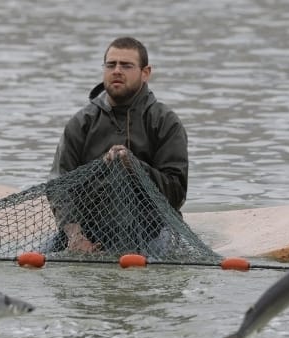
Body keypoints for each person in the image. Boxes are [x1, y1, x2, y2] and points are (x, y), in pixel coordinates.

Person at [49, 36, 188, 252]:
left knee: (166, 251)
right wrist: (76, 237)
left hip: (154, 230)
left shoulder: (165, 121)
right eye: (111, 64)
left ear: (146, 73)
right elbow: (59, 188)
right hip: (89, 231)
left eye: (126, 65)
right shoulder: (81, 123)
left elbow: (177, 194)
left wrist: (134, 167)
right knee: (37, 259)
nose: (117, 71)